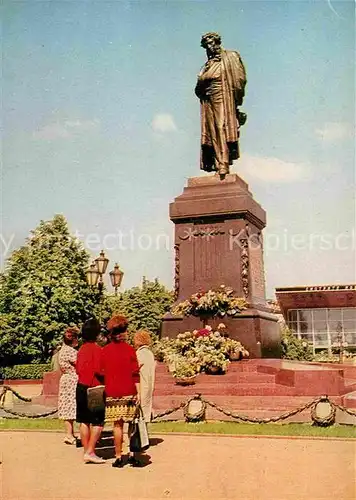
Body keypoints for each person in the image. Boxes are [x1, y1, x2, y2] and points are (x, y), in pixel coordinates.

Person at [195, 32, 247, 176]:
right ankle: (218, 164)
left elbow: (240, 80)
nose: (209, 47)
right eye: (206, 45)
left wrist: (236, 102)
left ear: (217, 42)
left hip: (223, 96)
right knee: (212, 132)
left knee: (221, 127)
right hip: (208, 100)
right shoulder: (206, 66)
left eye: (211, 43)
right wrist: (201, 78)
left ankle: (223, 163)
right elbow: (198, 88)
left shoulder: (231, 56)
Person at [101, 315, 141, 468]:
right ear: (125, 331)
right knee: (131, 423)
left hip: (112, 392)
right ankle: (132, 454)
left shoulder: (105, 351)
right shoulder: (130, 350)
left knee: (117, 425)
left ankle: (118, 456)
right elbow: (135, 373)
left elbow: (101, 371)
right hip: (129, 390)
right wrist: (139, 393)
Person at [76, 318, 105, 464]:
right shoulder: (97, 350)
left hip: (81, 386)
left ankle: (86, 451)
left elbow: (78, 369)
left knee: (84, 421)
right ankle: (90, 451)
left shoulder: (81, 350)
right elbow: (100, 370)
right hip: (94, 387)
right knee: (98, 421)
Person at [58, 327, 79, 445]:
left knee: (67, 407)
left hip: (66, 379)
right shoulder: (70, 351)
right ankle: (69, 435)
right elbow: (80, 363)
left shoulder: (63, 350)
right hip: (72, 380)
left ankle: (69, 434)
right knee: (71, 406)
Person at [133, 330, 156, 423]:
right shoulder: (150, 354)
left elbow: (134, 369)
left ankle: (137, 435)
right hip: (149, 385)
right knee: (146, 409)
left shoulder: (139, 354)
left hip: (141, 385)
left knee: (138, 412)